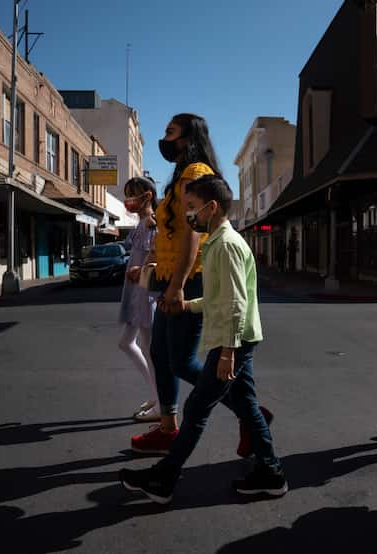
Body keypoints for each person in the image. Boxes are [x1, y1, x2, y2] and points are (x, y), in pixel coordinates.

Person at [121, 174, 286, 504]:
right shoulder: (216, 242)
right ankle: (271, 472)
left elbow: (236, 304)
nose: (187, 215)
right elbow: (217, 298)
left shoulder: (224, 246)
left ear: (212, 207)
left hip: (234, 342)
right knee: (248, 407)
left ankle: (164, 478)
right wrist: (187, 304)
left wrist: (227, 353)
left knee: (197, 409)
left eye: (192, 208)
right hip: (236, 338)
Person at [130, 113, 272, 456]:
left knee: (179, 361)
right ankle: (168, 427)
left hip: (186, 280)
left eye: (171, 132)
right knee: (160, 354)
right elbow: (171, 232)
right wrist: (154, 262)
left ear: (188, 137)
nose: (164, 138)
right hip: (168, 276)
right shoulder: (181, 173)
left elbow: (191, 234)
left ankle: (251, 414)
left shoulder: (195, 173)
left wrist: (176, 285)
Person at [119, 176, 159, 422]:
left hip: (145, 293)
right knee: (128, 343)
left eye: (132, 195)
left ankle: (160, 402)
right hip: (136, 293)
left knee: (147, 348)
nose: (128, 201)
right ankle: (156, 396)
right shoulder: (140, 225)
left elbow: (156, 259)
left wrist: (141, 270)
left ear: (147, 196)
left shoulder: (152, 225)